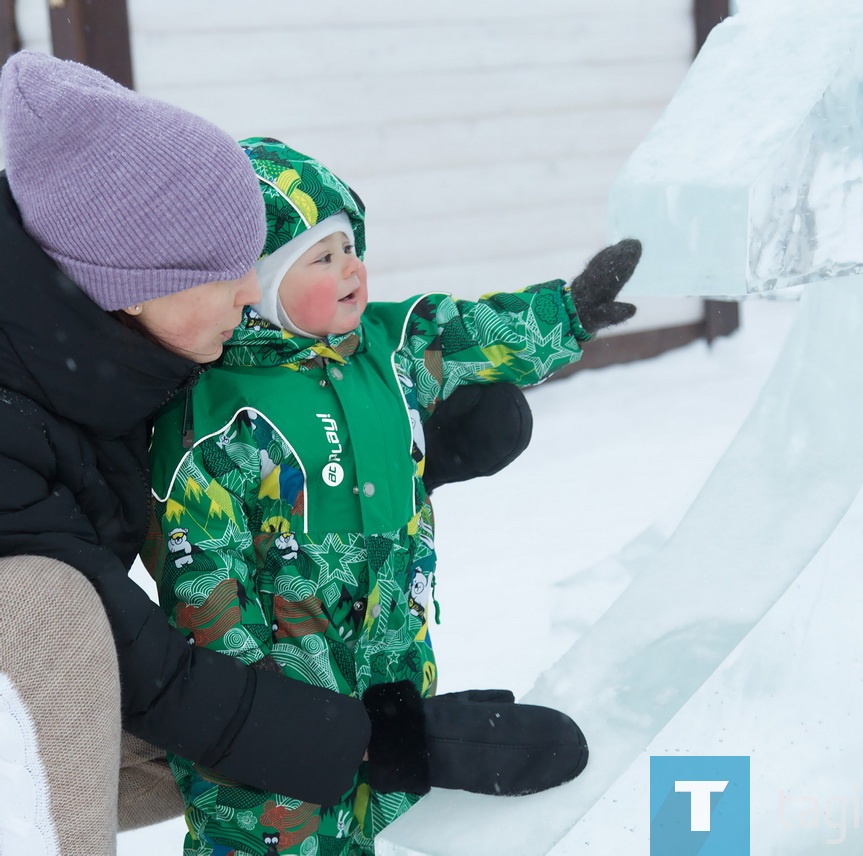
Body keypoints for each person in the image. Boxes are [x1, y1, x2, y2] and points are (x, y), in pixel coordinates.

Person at [0, 52, 584, 856]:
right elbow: (148, 668)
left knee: (223, 742)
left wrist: (390, 465)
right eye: (228, 272)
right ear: (131, 283)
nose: (252, 295)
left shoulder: (86, 343)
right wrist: (376, 741)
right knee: (47, 614)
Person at [143, 136, 641, 855]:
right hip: (274, 713)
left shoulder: (387, 343)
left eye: (350, 248)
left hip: (389, 667)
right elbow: (203, 584)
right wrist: (257, 720)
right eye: (321, 258)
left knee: (392, 827)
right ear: (254, 283)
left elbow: (472, 336)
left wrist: (568, 314)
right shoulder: (215, 414)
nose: (351, 269)